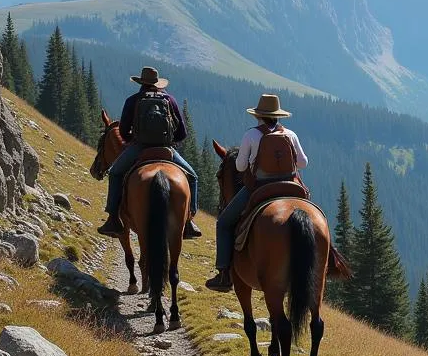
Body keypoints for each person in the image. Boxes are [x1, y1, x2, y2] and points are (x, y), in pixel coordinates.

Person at [205, 93, 309, 292]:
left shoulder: (251, 135)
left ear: (258, 116)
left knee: (224, 223)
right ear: (278, 116)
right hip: (291, 186)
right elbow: (303, 163)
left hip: (260, 187)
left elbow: (241, 166)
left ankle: (223, 274)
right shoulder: (290, 134)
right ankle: (328, 259)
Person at [96, 66, 202, 238]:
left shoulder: (133, 100)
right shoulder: (169, 100)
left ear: (141, 83)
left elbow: (123, 132)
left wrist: (136, 139)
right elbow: (182, 133)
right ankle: (189, 220)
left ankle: (113, 218)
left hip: (139, 148)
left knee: (115, 173)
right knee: (193, 177)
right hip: (166, 149)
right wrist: (168, 140)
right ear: (157, 83)